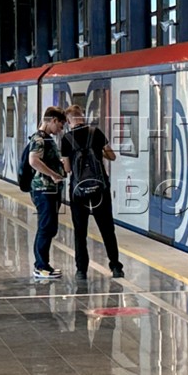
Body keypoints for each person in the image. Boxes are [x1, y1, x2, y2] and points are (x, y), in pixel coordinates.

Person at [61, 104, 124, 280]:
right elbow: (112, 156)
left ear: (68, 121)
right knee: (107, 229)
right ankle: (115, 266)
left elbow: (67, 169)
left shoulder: (66, 138)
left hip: (78, 192)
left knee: (80, 232)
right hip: (100, 190)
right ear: (82, 116)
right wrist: (98, 153)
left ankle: (81, 270)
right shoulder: (96, 132)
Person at [25, 107, 68, 279]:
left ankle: (44, 265)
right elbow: (33, 160)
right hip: (43, 190)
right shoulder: (39, 139)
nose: (60, 130)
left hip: (49, 190)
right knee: (45, 227)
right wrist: (53, 174)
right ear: (53, 120)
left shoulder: (46, 139)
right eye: (60, 125)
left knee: (49, 227)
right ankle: (40, 266)